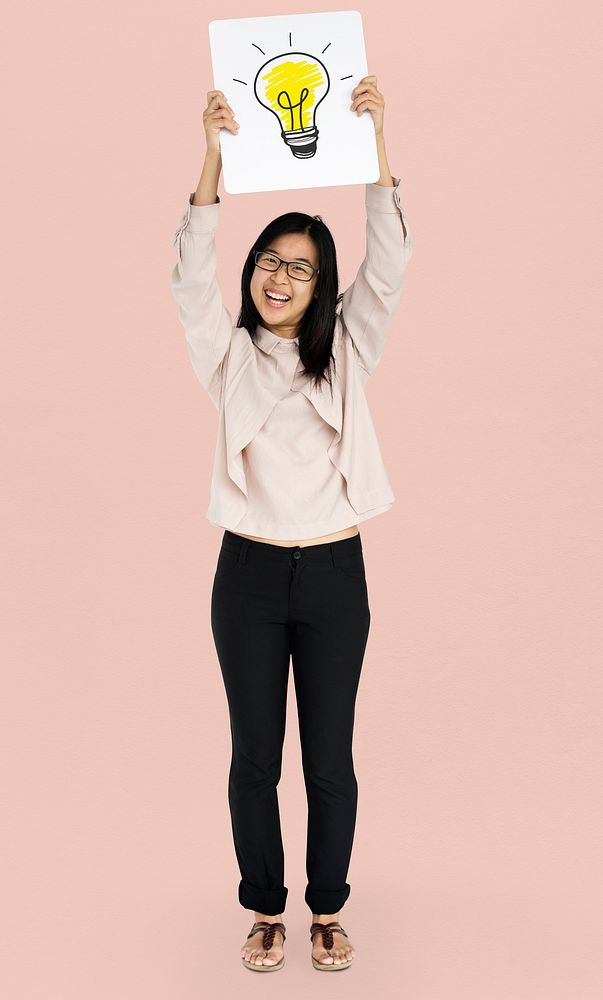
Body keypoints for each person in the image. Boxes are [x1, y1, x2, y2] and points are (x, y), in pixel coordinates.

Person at [170, 75, 413, 972]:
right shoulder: (227, 356)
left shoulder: (348, 350)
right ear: (254, 272)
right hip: (248, 576)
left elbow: (388, 261)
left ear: (320, 286)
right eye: (269, 261)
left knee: (329, 763)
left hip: (335, 574)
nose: (280, 277)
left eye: (300, 266)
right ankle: (265, 909)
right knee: (252, 762)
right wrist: (210, 157)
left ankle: (328, 910)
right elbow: (189, 278)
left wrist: (376, 140)